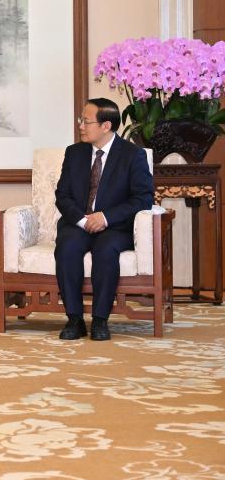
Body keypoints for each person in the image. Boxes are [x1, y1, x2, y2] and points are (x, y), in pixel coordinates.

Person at [54, 98, 154, 341]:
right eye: (81, 120)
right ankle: (74, 319)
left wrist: (106, 217)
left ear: (106, 125)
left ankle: (100, 320)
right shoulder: (74, 153)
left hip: (115, 227)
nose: (80, 125)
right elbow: (62, 195)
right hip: (79, 223)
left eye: (86, 121)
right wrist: (82, 220)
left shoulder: (133, 155)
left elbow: (143, 199)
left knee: (106, 249)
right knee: (67, 246)